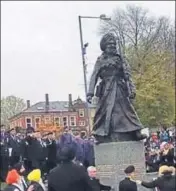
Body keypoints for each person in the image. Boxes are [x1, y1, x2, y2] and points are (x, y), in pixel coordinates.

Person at [86, 33, 146, 143]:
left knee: (127, 110)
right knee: (103, 113)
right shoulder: (100, 60)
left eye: (114, 44)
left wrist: (132, 89)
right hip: (105, 91)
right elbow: (94, 75)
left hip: (119, 89)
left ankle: (135, 131)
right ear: (105, 46)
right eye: (110, 45)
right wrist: (90, 93)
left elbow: (127, 75)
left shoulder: (120, 59)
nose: (113, 46)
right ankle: (101, 134)